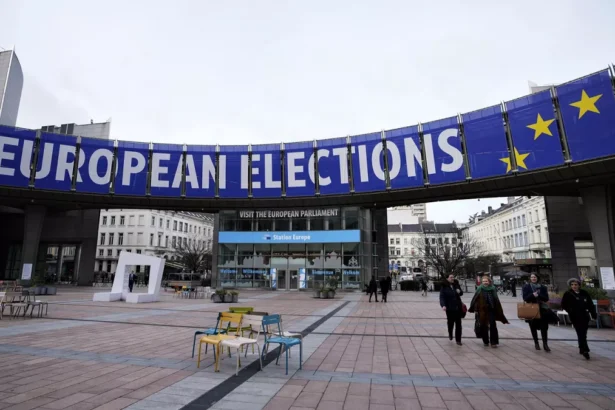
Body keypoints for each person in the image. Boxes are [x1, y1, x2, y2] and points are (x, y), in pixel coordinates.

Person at [561, 278, 596, 359]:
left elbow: (590, 304)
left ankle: (581, 347)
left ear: (579, 285)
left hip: (584, 315)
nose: (574, 286)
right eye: (572, 285)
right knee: (580, 332)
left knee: (583, 333)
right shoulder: (568, 293)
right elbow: (563, 304)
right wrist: (570, 310)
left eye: (575, 285)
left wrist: (593, 314)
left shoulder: (584, 293)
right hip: (575, 316)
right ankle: (585, 350)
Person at [469, 276, 509, 347]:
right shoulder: (479, 289)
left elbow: (496, 299)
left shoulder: (493, 288)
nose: (485, 283)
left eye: (486, 281)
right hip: (482, 310)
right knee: (483, 325)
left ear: (489, 282)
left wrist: (497, 309)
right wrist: (475, 310)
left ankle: (493, 342)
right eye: (484, 281)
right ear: (482, 282)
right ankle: (485, 341)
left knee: (493, 325)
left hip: (491, 309)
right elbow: (475, 300)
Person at [522, 273, 552, 352]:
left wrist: (538, 295)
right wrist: (532, 295)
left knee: (544, 327)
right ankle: (536, 343)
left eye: (535, 277)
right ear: (530, 278)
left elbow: (546, 298)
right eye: (532, 277)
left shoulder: (543, 287)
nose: (533, 278)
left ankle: (545, 344)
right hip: (531, 308)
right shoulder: (526, 287)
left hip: (542, 309)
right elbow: (525, 298)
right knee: (533, 327)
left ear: (537, 278)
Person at [440, 274, 464, 346]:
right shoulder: (444, 286)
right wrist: (443, 305)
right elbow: (442, 297)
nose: (452, 278)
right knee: (450, 323)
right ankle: (450, 333)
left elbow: (461, 293)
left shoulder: (456, 285)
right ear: (447, 278)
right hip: (449, 308)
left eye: (453, 277)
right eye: (451, 277)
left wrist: (459, 291)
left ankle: (458, 340)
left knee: (459, 324)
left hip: (457, 307)